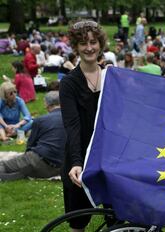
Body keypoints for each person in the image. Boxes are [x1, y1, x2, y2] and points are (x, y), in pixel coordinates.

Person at [59, 20, 107, 231]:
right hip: (80, 157)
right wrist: (77, 163)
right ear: (76, 47)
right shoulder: (69, 83)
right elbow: (72, 126)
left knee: (117, 216)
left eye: (93, 42)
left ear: (100, 44)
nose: (89, 48)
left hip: (108, 157)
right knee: (78, 222)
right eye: (83, 43)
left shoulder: (110, 77)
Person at [0, 91, 66, 181]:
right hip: (64, 167)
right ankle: (21, 173)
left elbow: (30, 145)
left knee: (3, 165)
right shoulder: (74, 119)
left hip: (40, 162)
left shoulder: (40, 120)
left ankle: (15, 175)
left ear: (47, 104)